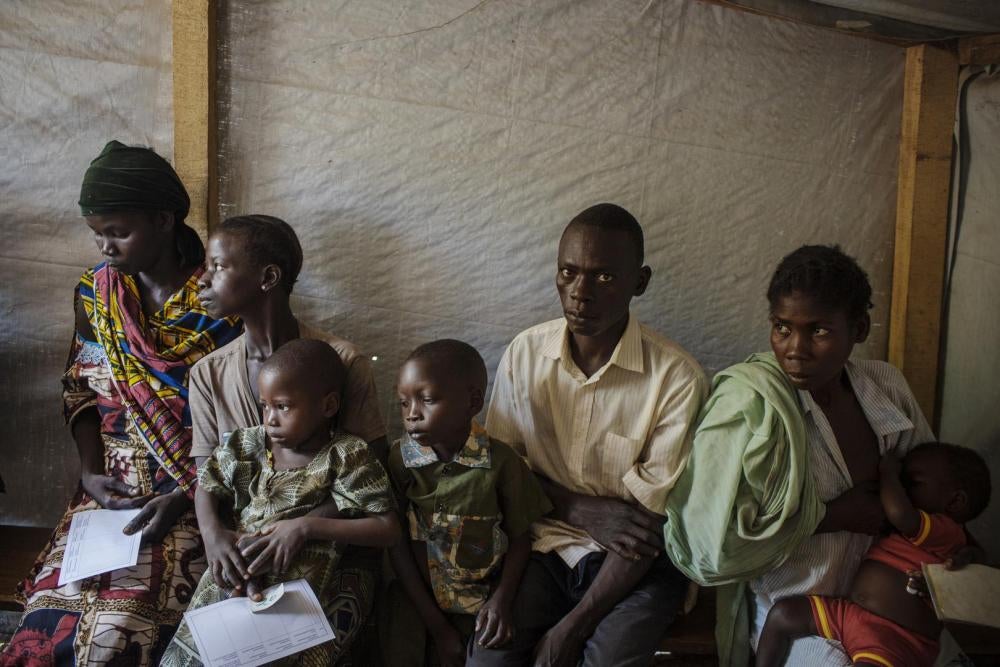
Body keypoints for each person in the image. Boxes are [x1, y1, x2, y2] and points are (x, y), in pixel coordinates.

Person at [0, 141, 242, 666]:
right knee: (47, 625)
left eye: (118, 232)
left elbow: (245, 425)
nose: (105, 247)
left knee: (124, 627)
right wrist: (90, 474)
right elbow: (79, 388)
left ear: (164, 220)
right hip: (110, 494)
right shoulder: (98, 295)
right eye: (97, 234)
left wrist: (187, 496)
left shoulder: (220, 302)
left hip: (196, 491)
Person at [665, 244, 941, 667]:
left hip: (891, 606)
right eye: (782, 327)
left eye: (819, 331)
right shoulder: (750, 406)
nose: (796, 348)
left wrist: (946, 545)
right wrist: (829, 516)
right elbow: (711, 547)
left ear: (859, 329)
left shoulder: (885, 387)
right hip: (794, 611)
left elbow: (934, 489)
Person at [470, 203, 707, 666]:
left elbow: (644, 531)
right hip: (542, 548)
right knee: (488, 658)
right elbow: (502, 475)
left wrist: (571, 629)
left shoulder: (677, 379)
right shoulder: (526, 354)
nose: (580, 293)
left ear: (639, 282)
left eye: (604, 277)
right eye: (569, 272)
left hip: (635, 568)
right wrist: (577, 507)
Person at [188, 214, 389, 658]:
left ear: (268, 277)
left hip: (332, 551)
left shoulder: (341, 362)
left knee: (290, 650)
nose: (202, 280)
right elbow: (208, 479)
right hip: (245, 553)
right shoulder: (207, 374)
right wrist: (215, 537)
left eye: (218, 266)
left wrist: (299, 530)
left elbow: (373, 483)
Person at [160, 338, 400, 666]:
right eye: (265, 405)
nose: (270, 418)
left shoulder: (345, 456)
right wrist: (212, 535)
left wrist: (306, 527)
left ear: (328, 406)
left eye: (283, 406)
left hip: (301, 593)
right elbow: (207, 486)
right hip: (235, 577)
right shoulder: (247, 444)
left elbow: (387, 528)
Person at [384, 340, 553, 666]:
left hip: (482, 602)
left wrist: (502, 601)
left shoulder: (502, 463)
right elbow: (398, 544)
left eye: (427, 400)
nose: (412, 414)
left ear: (472, 402)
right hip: (418, 600)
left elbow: (521, 538)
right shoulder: (400, 461)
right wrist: (438, 628)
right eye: (404, 403)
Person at [757, 442, 991, 667]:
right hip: (851, 616)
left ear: (955, 502)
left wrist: (889, 473)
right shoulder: (923, 532)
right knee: (782, 614)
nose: (900, 489)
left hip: (895, 638)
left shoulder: (947, 531)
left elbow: (900, 514)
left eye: (913, 483)